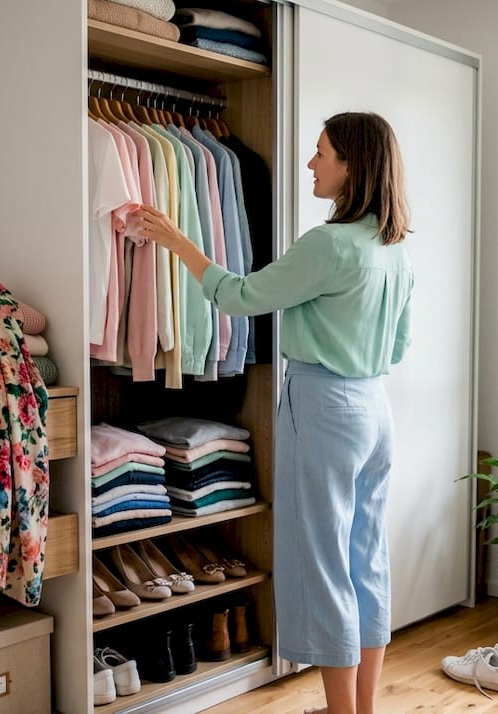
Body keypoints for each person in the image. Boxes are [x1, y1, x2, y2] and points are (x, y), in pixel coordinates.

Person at [126, 111, 414, 714]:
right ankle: (361, 710)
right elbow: (397, 348)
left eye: (321, 153)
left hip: (325, 405)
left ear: (351, 166)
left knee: (325, 562)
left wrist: (178, 240)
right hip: (375, 408)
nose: (311, 163)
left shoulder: (329, 244)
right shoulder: (395, 249)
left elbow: (240, 296)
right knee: (366, 558)